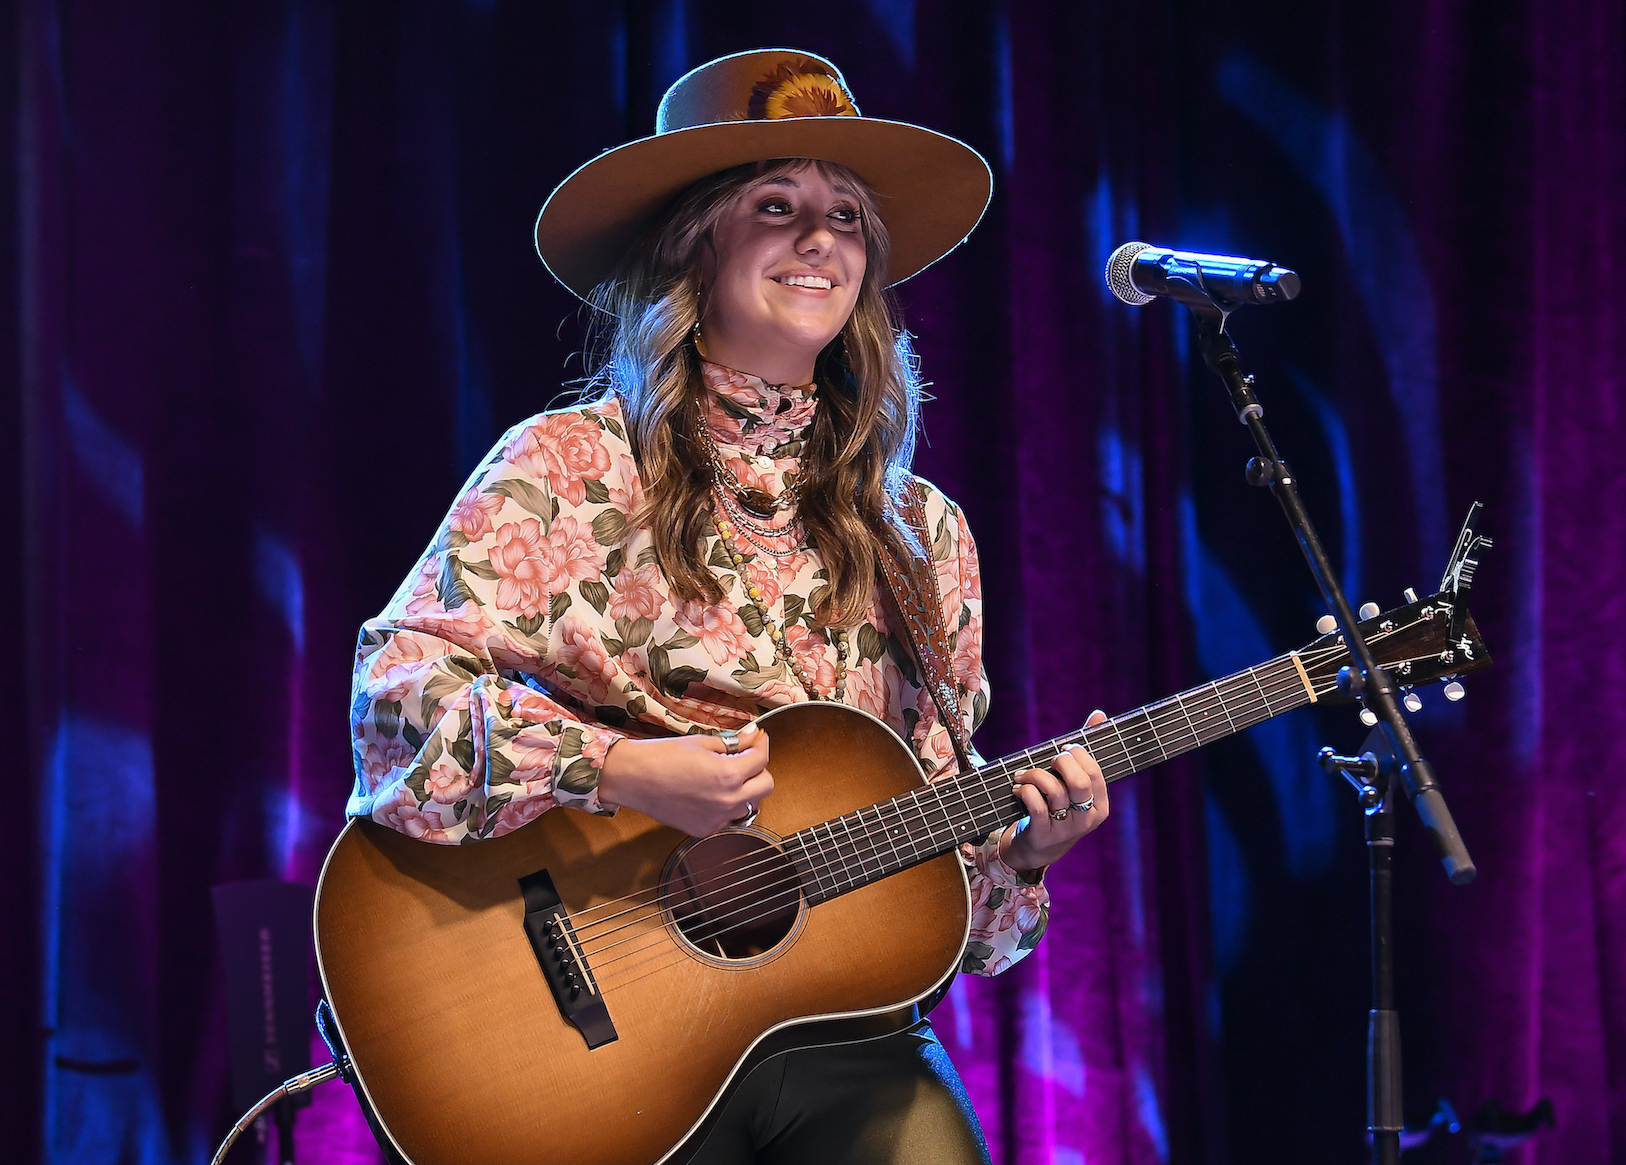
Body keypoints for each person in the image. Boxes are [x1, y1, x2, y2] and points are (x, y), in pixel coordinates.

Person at [348, 49, 1111, 1165]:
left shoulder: (922, 533)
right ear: (691, 244)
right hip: (605, 1045)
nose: (822, 239)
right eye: (776, 205)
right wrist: (618, 769)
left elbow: (950, 891)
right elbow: (394, 705)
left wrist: (1028, 854)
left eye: (847, 216)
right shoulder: (566, 468)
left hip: (837, 1034)